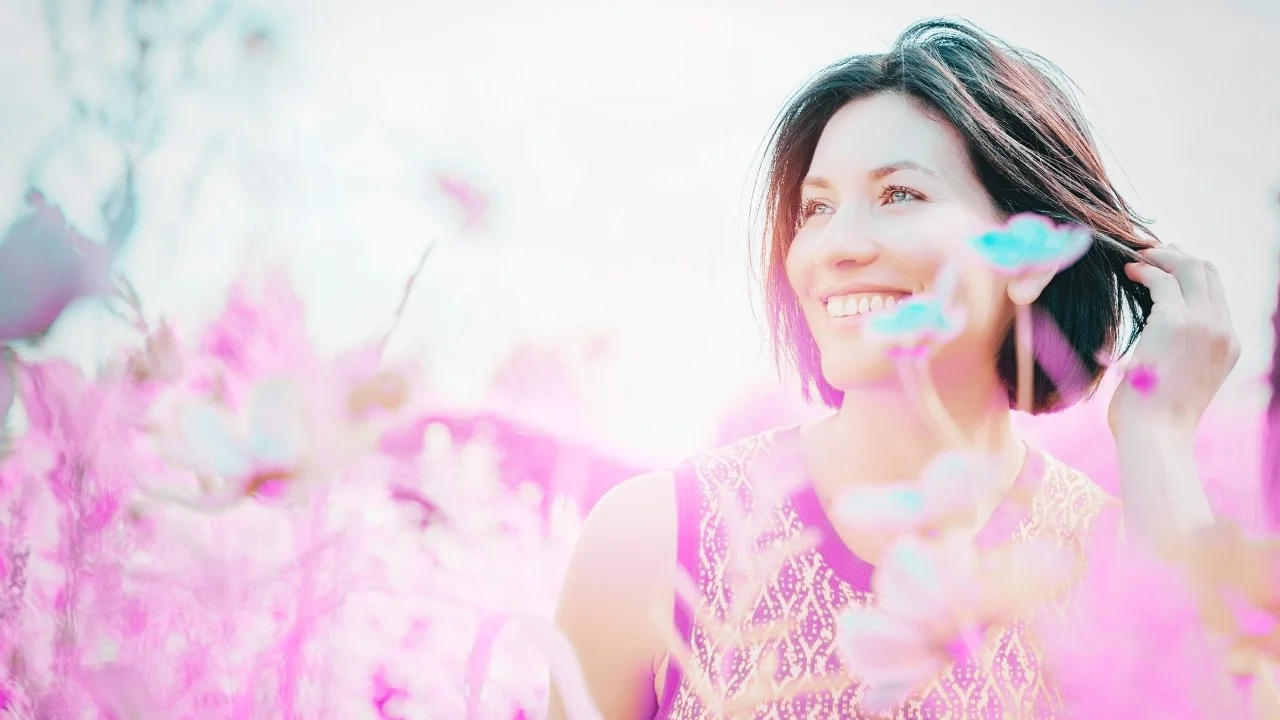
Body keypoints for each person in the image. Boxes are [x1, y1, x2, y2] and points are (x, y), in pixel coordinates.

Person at [549, 18, 1240, 719]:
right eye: (815, 207)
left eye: (899, 194)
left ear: (1032, 255)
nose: (834, 246)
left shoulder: (1108, 558)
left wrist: (1159, 434)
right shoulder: (653, 541)